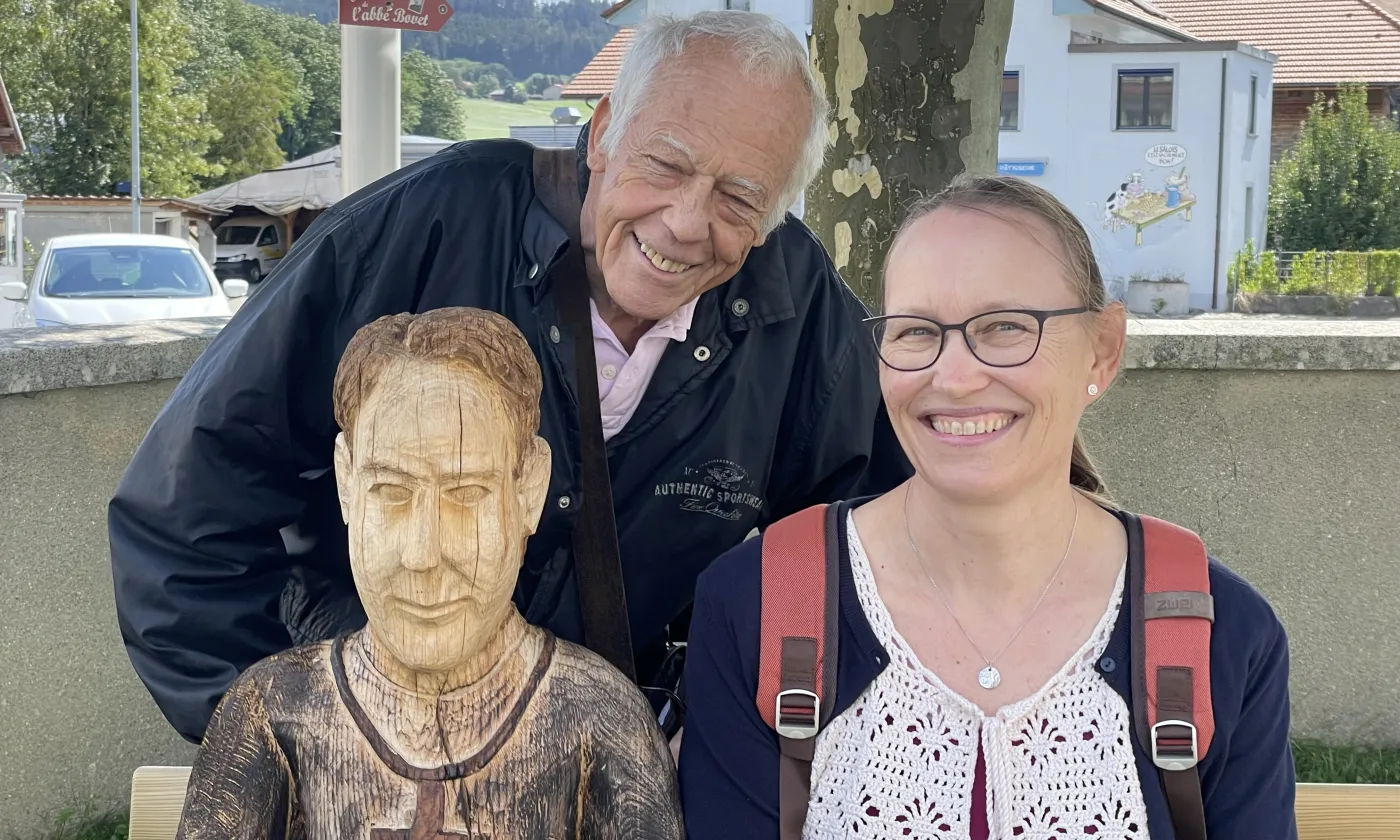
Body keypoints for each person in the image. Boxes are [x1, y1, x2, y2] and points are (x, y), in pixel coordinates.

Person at [107, 9, 910, 745]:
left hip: (600, 756)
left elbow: (875, 559)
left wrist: (723, 729)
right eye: (666, 164)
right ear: (603, 133)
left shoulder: (798, 306)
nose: (685, 223)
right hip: (372, 730)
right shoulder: (428, 225)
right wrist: (291, 741)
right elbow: (190, 502)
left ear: (772, 218)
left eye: (740, 197)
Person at [677, 174, 1297, 838]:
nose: (954, 377)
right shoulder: (757, 607)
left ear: (1103, 350)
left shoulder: (1221, 635)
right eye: (916, 332)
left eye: (1005, 327)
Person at [176, 308, 681, 840]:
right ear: (346, 483)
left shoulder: (600, 717)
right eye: (391, 492)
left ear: (529, 490)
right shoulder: (272, 710)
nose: (423, 554)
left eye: (466, 493)